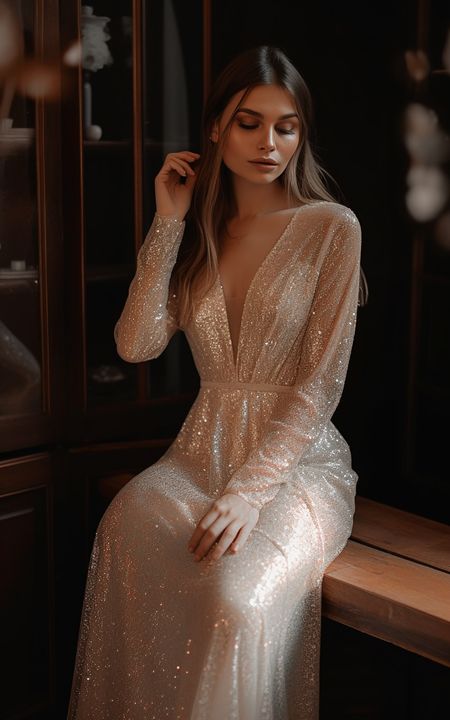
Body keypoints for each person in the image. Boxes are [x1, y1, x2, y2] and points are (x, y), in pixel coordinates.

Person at [67, 45, 366, 720]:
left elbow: (320, 385)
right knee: (122, 529)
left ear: (302, 133)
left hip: (295, 468)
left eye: (286, 126)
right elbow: (136, 344)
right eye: (248, 122)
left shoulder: (330, 229)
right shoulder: (198, 231)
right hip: (198, 455)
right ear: (215, 128)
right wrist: (167, 222)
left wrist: (249, 494)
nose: (270, 142)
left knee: (236, 602)